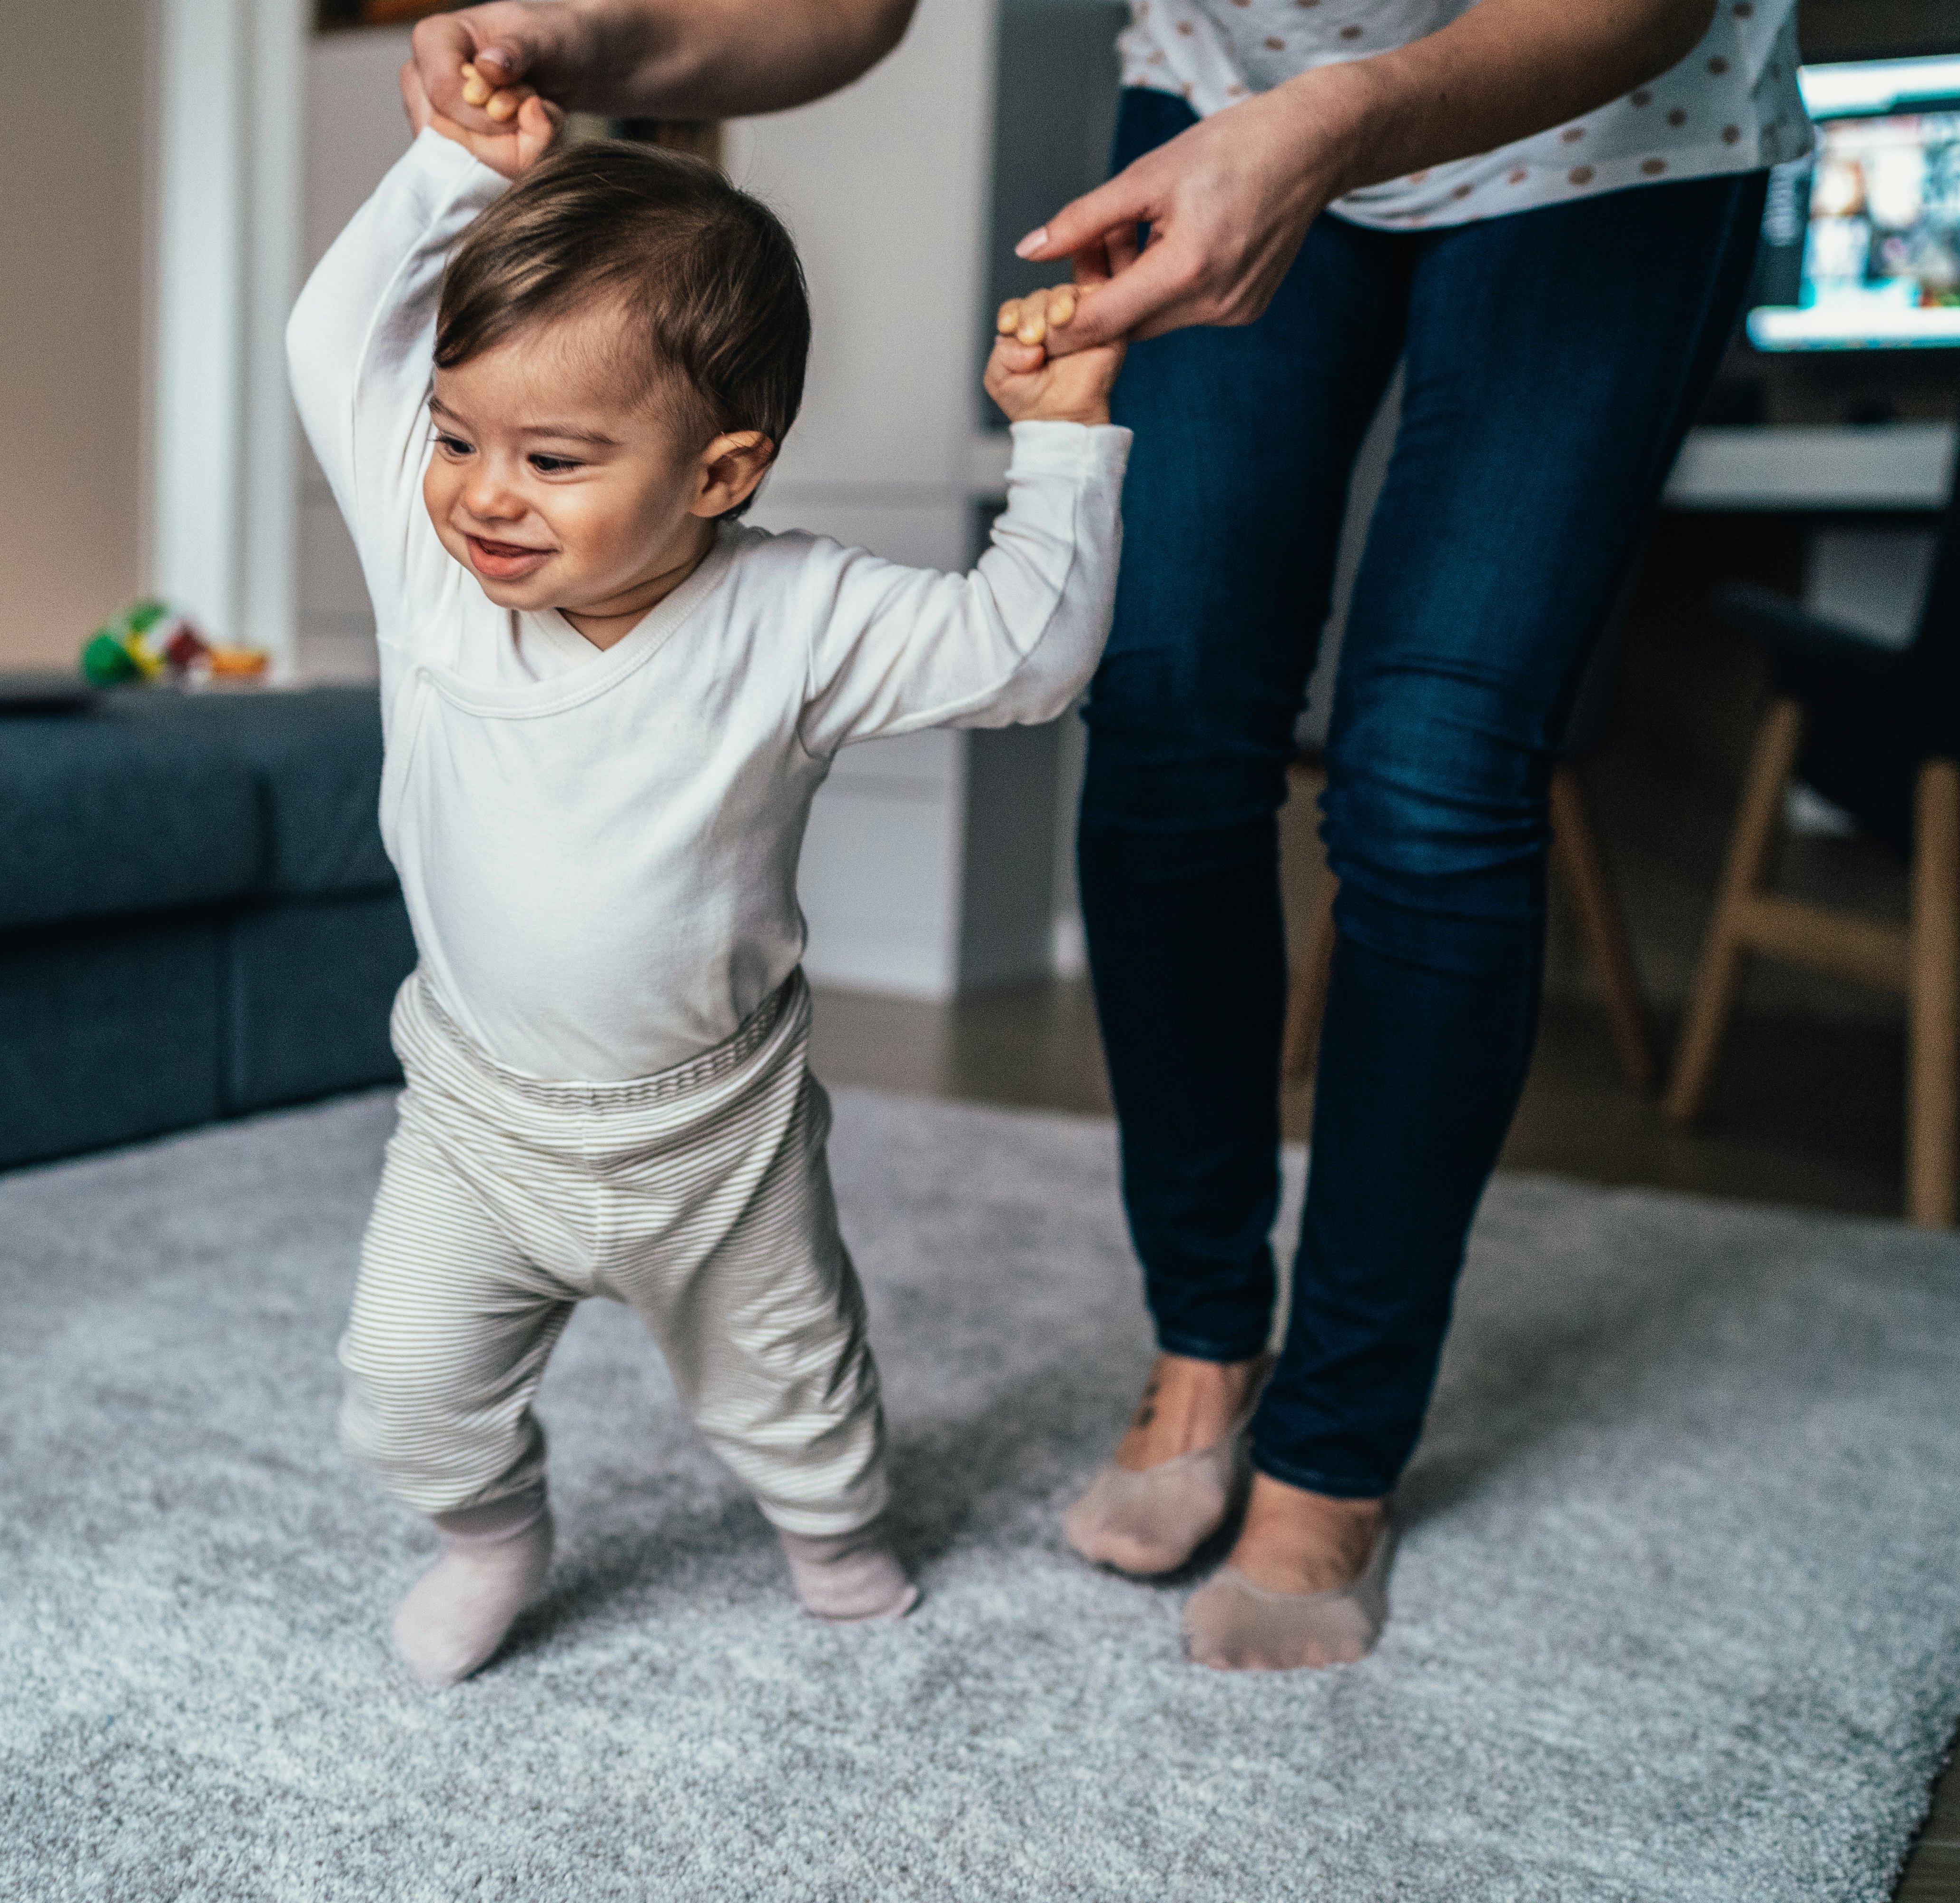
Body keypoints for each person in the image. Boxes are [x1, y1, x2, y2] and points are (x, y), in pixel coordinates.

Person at [407, 0, 1809, 1670]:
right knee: (1164, 721)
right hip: (1229, 99)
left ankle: (1336, 1448)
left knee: (1433, 772)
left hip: (1604, 113)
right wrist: (593, 41)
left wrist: (1346, 122)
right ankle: (1208, 1340)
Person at [288, 59, 1129, 1686]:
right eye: (460, 435)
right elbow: (337, 343)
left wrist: (1065, 450)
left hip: (712, 1140)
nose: (479, 493)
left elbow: (1026, 656)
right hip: (478, 1119)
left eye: (554, 459)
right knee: (403, 1390)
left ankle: (838, 1542)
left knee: (796, 1394)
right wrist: (449, 177)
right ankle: (493, 1539)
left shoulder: (798, 617)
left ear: (723, 473)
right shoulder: (432, 562)